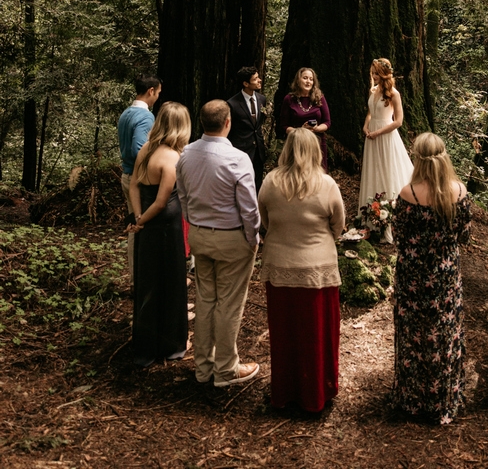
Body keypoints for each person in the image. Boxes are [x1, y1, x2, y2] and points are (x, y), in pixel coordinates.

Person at [258, 128, 345, 412]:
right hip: (317, 269)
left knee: (286, 334)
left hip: (280, 266)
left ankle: (285, 392)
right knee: (316, 334)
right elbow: (338, 225)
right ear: (314, 151)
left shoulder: (271, 181)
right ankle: (318, 393)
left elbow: (264, 220)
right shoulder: (326, 184)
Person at [176, 99, 260, 386]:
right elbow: (249, 208)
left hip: (199, 235)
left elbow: (184, 197)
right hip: (231, 239)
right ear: (228, 123)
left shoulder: (186, 154)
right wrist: (253, 238)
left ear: (202, 123)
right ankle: (226, 369)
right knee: (229, 304)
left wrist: (196, 225)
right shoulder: (237, 158)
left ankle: (203, 368)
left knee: (205, 299)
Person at [393, 133, 472, 425]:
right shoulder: (460, 192)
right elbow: (464, 236)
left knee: (415, 334)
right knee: (444, 333)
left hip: (413, 275)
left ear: (417, 158)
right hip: (446, 276)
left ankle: (413, 400)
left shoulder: (407, 194)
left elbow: (399, 237)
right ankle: (444, 398)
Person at [128, 102, 191, 367]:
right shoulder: (173, 158)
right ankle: (171, 345)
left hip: (148, 225)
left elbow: (133, 185)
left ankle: (145, 346)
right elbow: (162, 201)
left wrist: (137, 217)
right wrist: (143, 219)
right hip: (166, 226)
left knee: (148, 283)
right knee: (171, 283)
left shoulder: (145, 149)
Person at [357, 58, 414, 240]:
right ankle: (371, 214)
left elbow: (398, 121)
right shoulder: (373, 91)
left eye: (376, 73)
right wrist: (366, 126)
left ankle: (390, 215)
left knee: (389, 170)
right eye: (372, 73)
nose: (374, 76)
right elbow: (370, 113)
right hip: (372, 136)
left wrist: (379, 132)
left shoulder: (394, 94)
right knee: (374, 170)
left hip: (386, 136)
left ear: (384, 74)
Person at [118, 74, 161, 284]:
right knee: (142, 227)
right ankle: (144, 281)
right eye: (158, 93)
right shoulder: (146, 117)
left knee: (134, 227)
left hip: (126, 175)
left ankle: (137, 279)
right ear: (151, 91)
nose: (157, 98)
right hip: (139, 179)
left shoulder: (126, 113)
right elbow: (138, 148)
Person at [277, 67, 332, 171]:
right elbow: (284, 125)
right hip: (297, 143)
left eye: (311, 79)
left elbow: (327, 122)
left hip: (317, 141)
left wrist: (316, 128)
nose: (308, 81)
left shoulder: (319, 97)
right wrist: (300, 131)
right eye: (305, 78)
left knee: (318, 174)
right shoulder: (289, 99)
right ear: (298, 80)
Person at [227, 66, 267, 190]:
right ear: (245, 83)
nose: (259, 80)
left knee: (258, 183)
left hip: (258, 151)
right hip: (241, 149)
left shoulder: (262, 99)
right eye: (255, 79)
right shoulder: (232, 104)